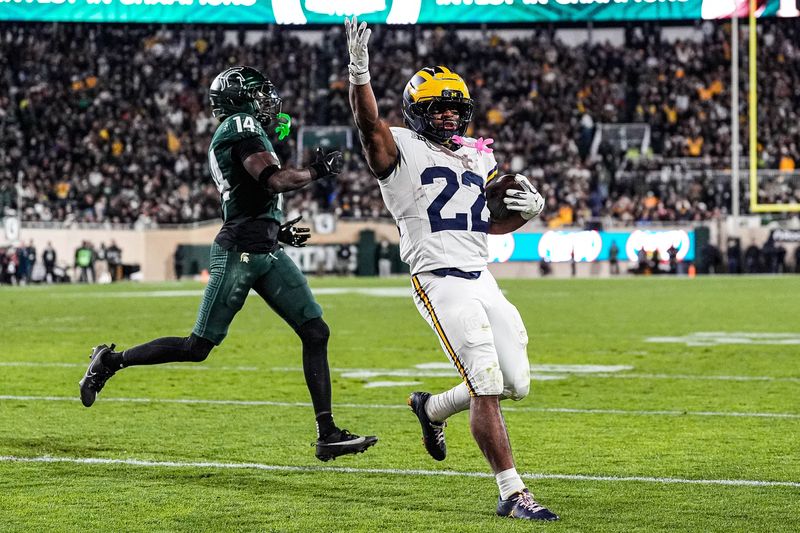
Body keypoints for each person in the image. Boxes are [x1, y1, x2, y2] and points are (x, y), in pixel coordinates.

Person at [79, 65, 377, 462]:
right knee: (197, 347)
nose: (266, 101)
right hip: (239, 252)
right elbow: (272, 180)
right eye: (258, 94)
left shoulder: (243, 126)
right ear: (240, 97)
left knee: (316, 331)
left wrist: (276, 231)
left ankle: (327, 433)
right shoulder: (240, 124)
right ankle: (110, 361)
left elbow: (249, 194)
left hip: (265, 250)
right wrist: (316, 171)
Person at [345, 18, 558, 521]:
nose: (445, 117)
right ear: (415, 112)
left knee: (515, 381)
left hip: (481, 274)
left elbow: (488, 224)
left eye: (453, 108)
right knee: (485, 381)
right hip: (438, 280)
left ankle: (432, 407)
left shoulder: (476, 158)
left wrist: (527, 213)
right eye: (435, 108)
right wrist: (360, 73)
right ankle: (513, 492)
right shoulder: (397, 146)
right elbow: (367, 124)